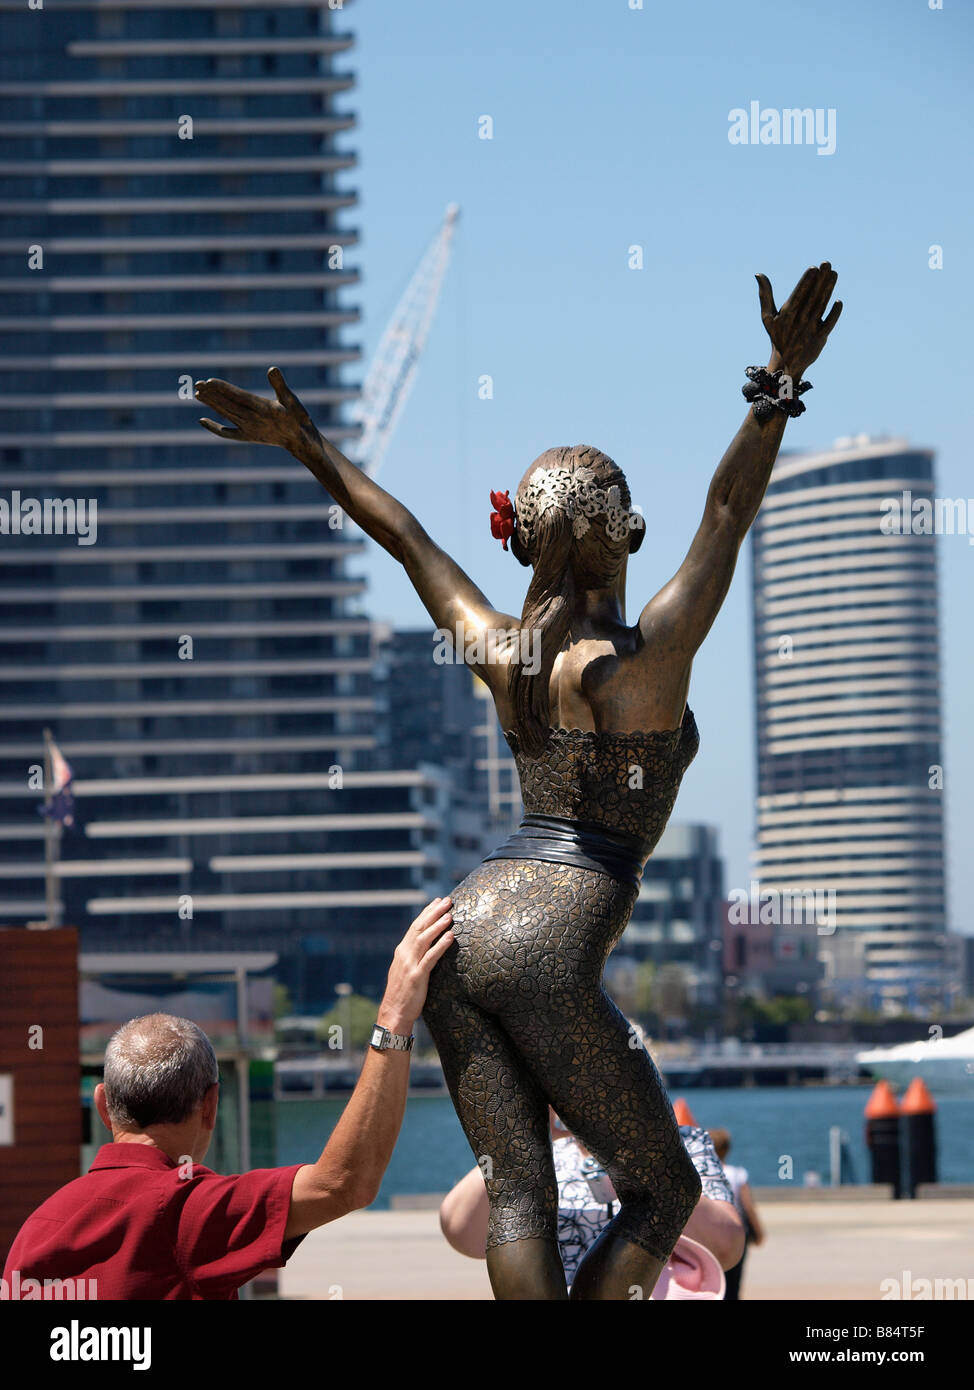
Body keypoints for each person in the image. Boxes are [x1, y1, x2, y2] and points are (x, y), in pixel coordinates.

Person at [195, 261, 841, 1299]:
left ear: (529, 543)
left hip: (466, 917)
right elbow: (726, 514)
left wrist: (308, 446)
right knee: (664, 1189)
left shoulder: (504, 651)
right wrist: (774, 376)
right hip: (552, 929)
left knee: (515, 1193)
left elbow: (407, 541)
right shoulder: (645, 661)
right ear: (619, 534)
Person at [2, 897, 454, 1300]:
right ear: (210, 1106)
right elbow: (342, 1184)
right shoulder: (184, 1210)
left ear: (103, 1105)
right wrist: (395, 1016)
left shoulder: (35, 1232)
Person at [441, 1110, 744, 1297]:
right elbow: (462, 1232)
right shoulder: (542, 1155)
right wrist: (522, 1133)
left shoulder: (683, 1145)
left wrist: (644, 1154)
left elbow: (727, 1246)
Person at [708, 1127, 765, 1300]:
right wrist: (758, 1232)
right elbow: (748, 1206)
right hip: (735, 1234)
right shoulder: (737, 1174)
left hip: (708, 1235)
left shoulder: (703, 1175)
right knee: (733, 1283)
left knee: (711, 1282)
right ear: (727, 1149)